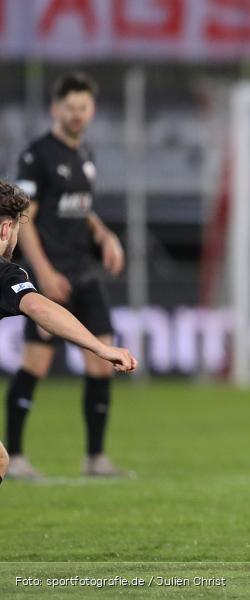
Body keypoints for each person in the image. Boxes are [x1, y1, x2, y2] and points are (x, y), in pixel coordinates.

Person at [5, 71, 127, 480]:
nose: (77, 115)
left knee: (102, 357)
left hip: (84, 270)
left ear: (91, 110)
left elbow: (80, 207)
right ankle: (17, 456)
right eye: (70, 107)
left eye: (84, 107)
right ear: (56, 108)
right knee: (36, 361)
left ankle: (95, 457)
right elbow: (27, 218)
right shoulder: (37, 155)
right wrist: (42, 272)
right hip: (52, 270)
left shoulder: (85, 155)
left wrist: (104, 234)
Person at [0, 179, 136, 488]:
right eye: (20, 230)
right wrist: (101, 349)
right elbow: (41, 309)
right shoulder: (6, 273)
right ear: (6, 230)